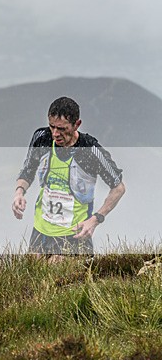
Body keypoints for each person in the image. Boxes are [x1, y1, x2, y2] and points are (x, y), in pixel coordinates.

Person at [12, 96, 126, 258]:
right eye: (52, 127)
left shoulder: (90, 149)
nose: (55, 134)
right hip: (40, 232)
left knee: (62, 282)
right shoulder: (41, 138)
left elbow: (119, 188)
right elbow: (28, 170)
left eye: (62, 129)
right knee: (31, 282)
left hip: (74, 235)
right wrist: (19, 192)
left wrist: (96, 219)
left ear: (76, 124)